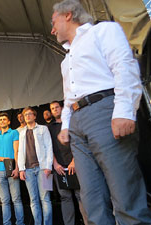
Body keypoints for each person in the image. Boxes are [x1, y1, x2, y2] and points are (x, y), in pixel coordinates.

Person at [51, 0, 151, 224]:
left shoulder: (103, 30)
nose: (52, 29)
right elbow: (69, 98)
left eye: (53, 21)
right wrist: (66, 126)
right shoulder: (66, 60)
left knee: (125, 192)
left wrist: (125, 110)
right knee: (92, 198)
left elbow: (124, 65)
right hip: (78, 122)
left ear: (68, 15)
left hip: (105, 110)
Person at [48, 101, 87, 225]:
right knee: (65, 198)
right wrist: (55, 164)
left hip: (75, 164)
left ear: (62, 108)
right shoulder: (49, 128)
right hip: (59, 167)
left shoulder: (71, 123)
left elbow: (79, 142)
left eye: (57, 107)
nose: (55, 110)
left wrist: (74, 161)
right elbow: (49, 147)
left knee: (81, 196)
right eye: (52, 109)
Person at [18, 107, 53, 225]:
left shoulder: (43, 129)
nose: (27, 116)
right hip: (28, 170)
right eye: (25, 114)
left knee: (46, 199)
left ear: (34, 116)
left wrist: (49, 166)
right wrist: (21, 169)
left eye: (30, 114)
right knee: (33, 200)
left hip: (43, 168)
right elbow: (20, 152)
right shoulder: (22, 132)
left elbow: (49, 147)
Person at [0, 112, 24, 225]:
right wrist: (4, 159)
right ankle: (7, 223)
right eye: (0, 119)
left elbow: (16, 151)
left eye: (4, 119)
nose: (2, 121)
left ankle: (20, 223)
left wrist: (17, 168)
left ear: (9, 121)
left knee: (16, 199)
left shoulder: (14, 132)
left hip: (12, 169)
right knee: (5, 201)